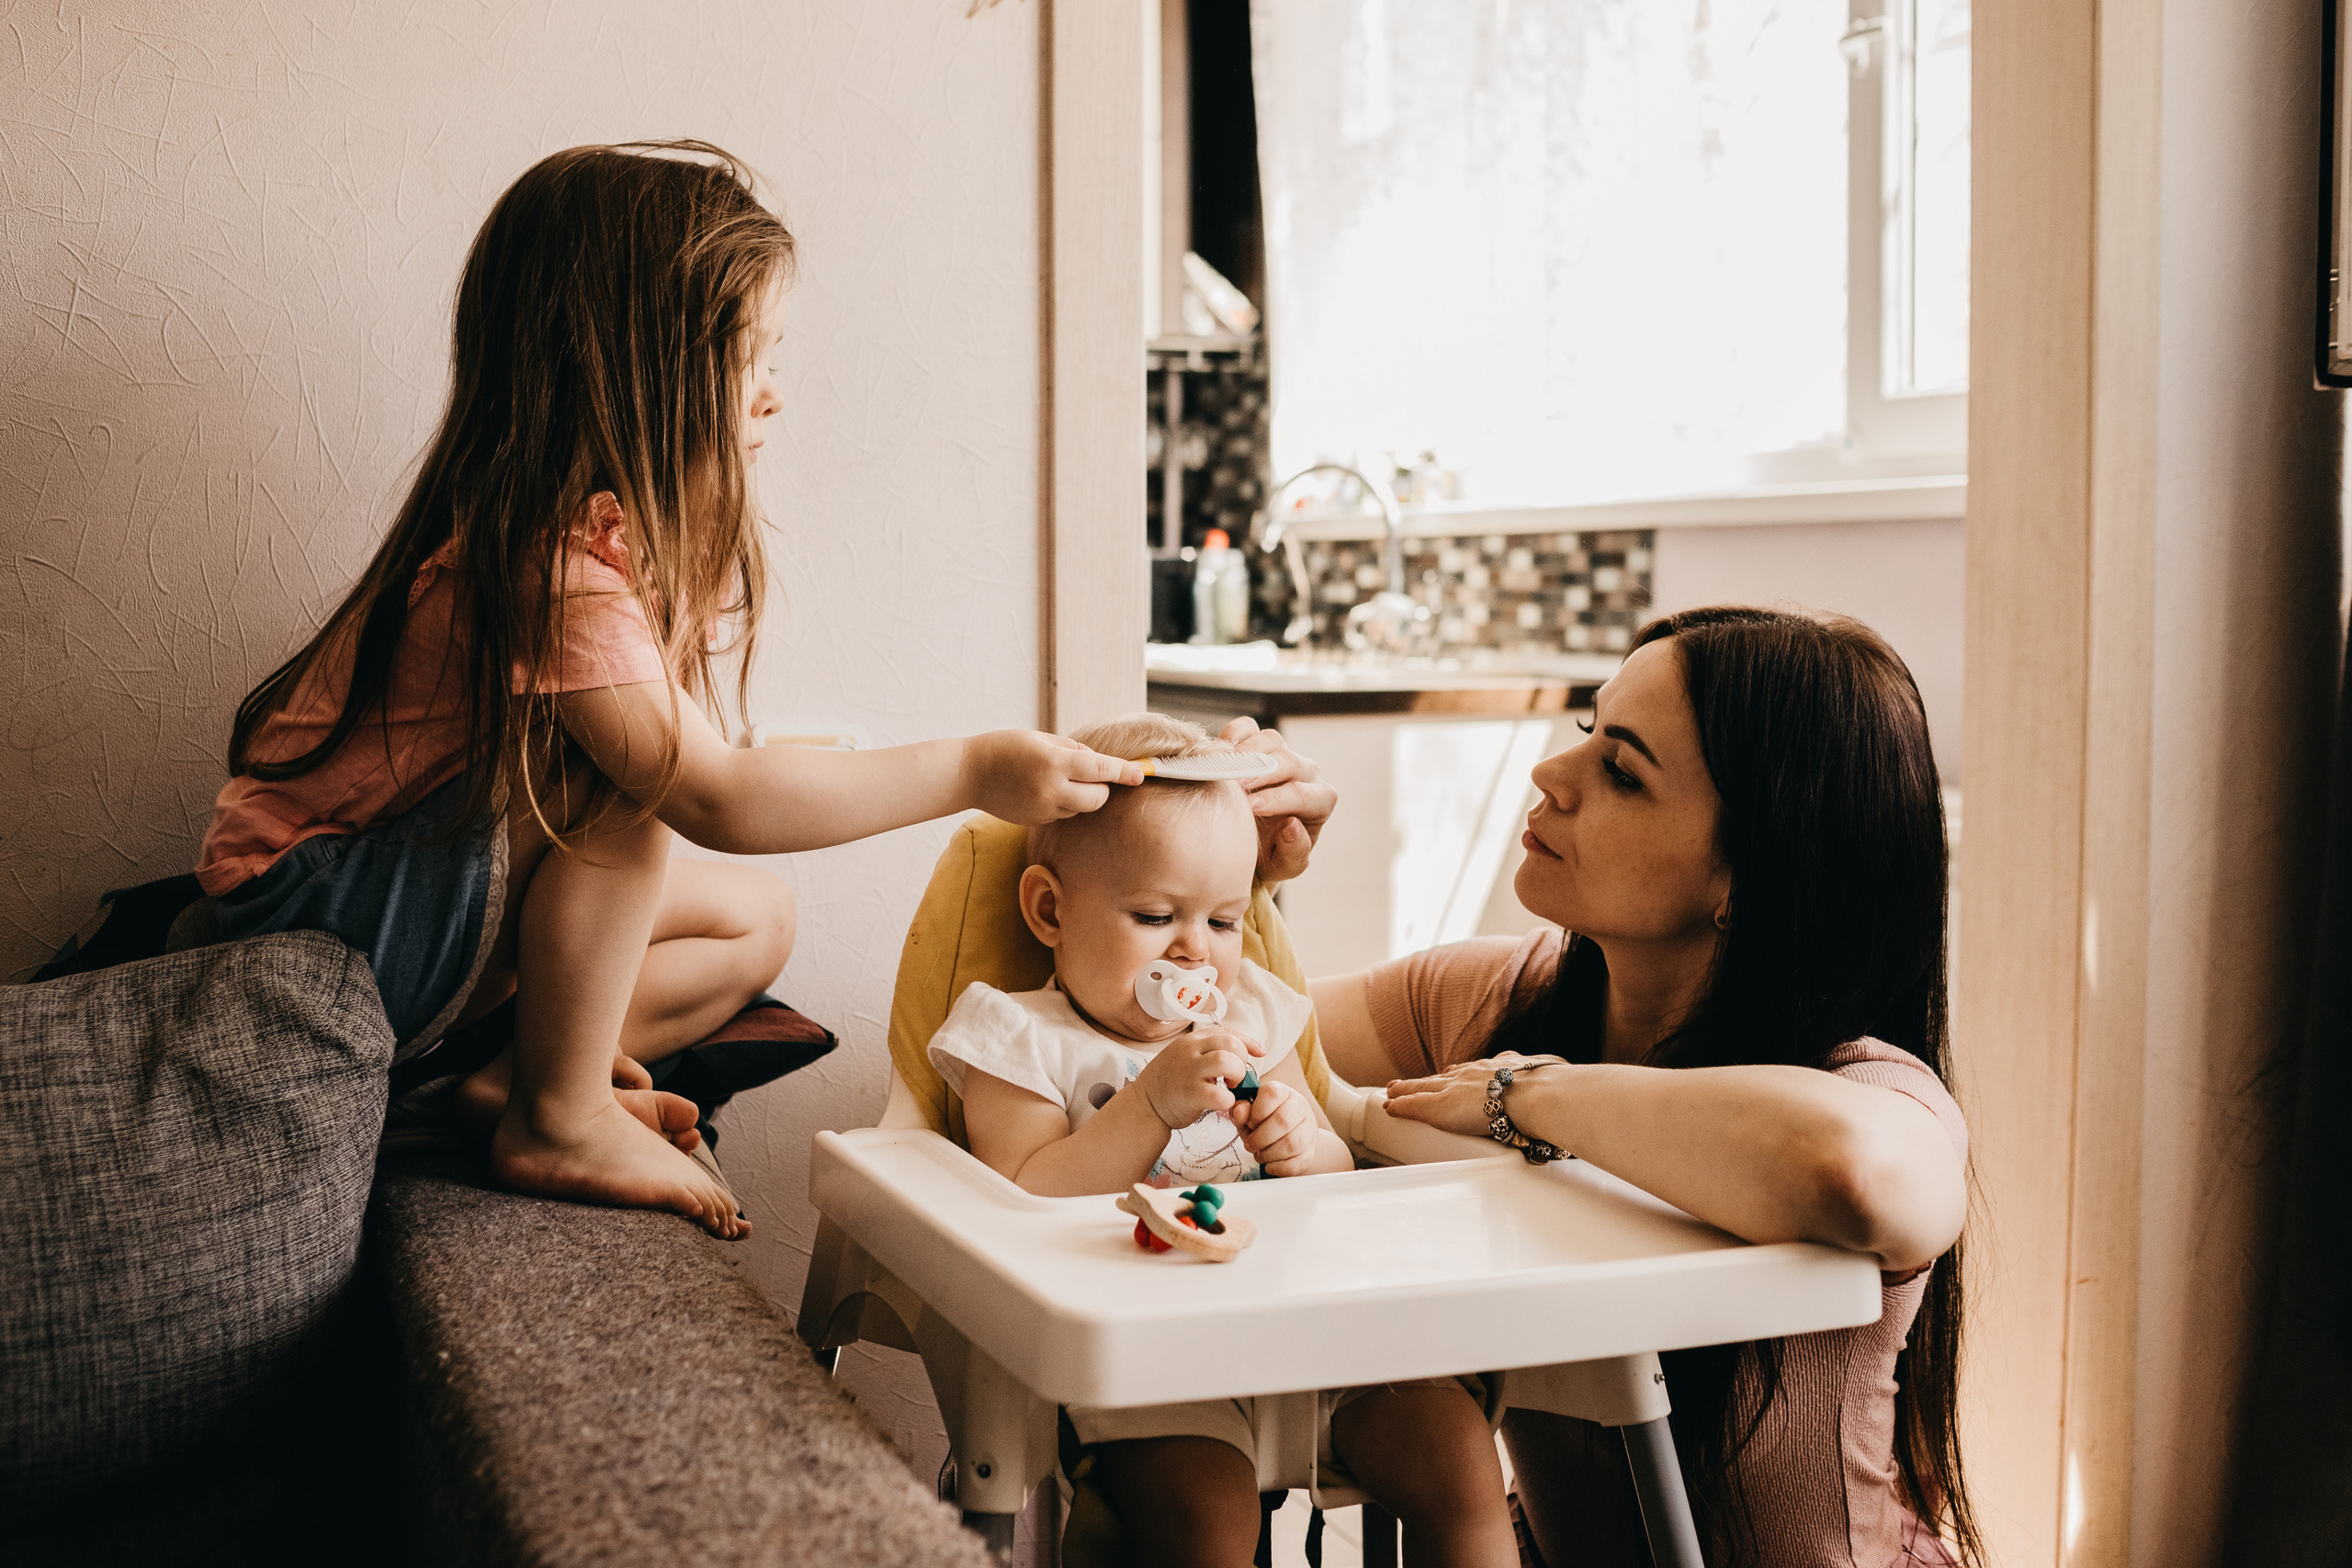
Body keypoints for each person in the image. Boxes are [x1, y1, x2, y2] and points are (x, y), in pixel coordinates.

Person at [193, 141, 1145, 1240]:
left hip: (389, 909)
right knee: (633, 788)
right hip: (304, 921)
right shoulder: (549, 572)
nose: (774, 393)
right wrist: (974, 769)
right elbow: (716, 798)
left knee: (755, 922)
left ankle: (518, 1081)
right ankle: (559, 1114)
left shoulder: (590, 553)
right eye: (750, 359)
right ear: (643, 371)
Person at [1316, 607, 1977, 1568]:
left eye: (1622, 771)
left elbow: (1857, 1173)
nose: (1551, 772)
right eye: (1588, 731)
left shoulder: (1867, 1082)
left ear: (1746, 876)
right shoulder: (1499, 994)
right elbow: (1219, 1032)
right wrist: (1232, 873)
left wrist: (1529, 1098)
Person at [935, 713, 1519, 1568]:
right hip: (1154, 1356)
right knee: (1206, 1518)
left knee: (1461, 1460)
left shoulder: (1254, 1014)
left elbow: (1333, 1167)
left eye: (1223, 921)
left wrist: (1300, 1144)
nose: (1194, 953)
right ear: (1050, 909)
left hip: (1317, 1326)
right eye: (1154, 915)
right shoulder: (1016, 1035)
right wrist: (1148, 1103)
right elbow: (1026, 1194)